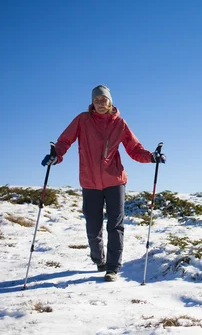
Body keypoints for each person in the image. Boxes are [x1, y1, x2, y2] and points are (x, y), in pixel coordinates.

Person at [41, 85, 166, 282]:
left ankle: (113, 268)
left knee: (115, 225)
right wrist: (56, 155)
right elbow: (65, 141)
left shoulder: (120, 123)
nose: (100, 103)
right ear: (92, 102)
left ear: (110, 101)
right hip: (90, 181)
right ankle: (99, 259)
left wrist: (151, 157)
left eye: (103, 99)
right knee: (93, 226)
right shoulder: (83, 120)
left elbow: (134, 149)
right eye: (96, 100)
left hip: (115, 180)